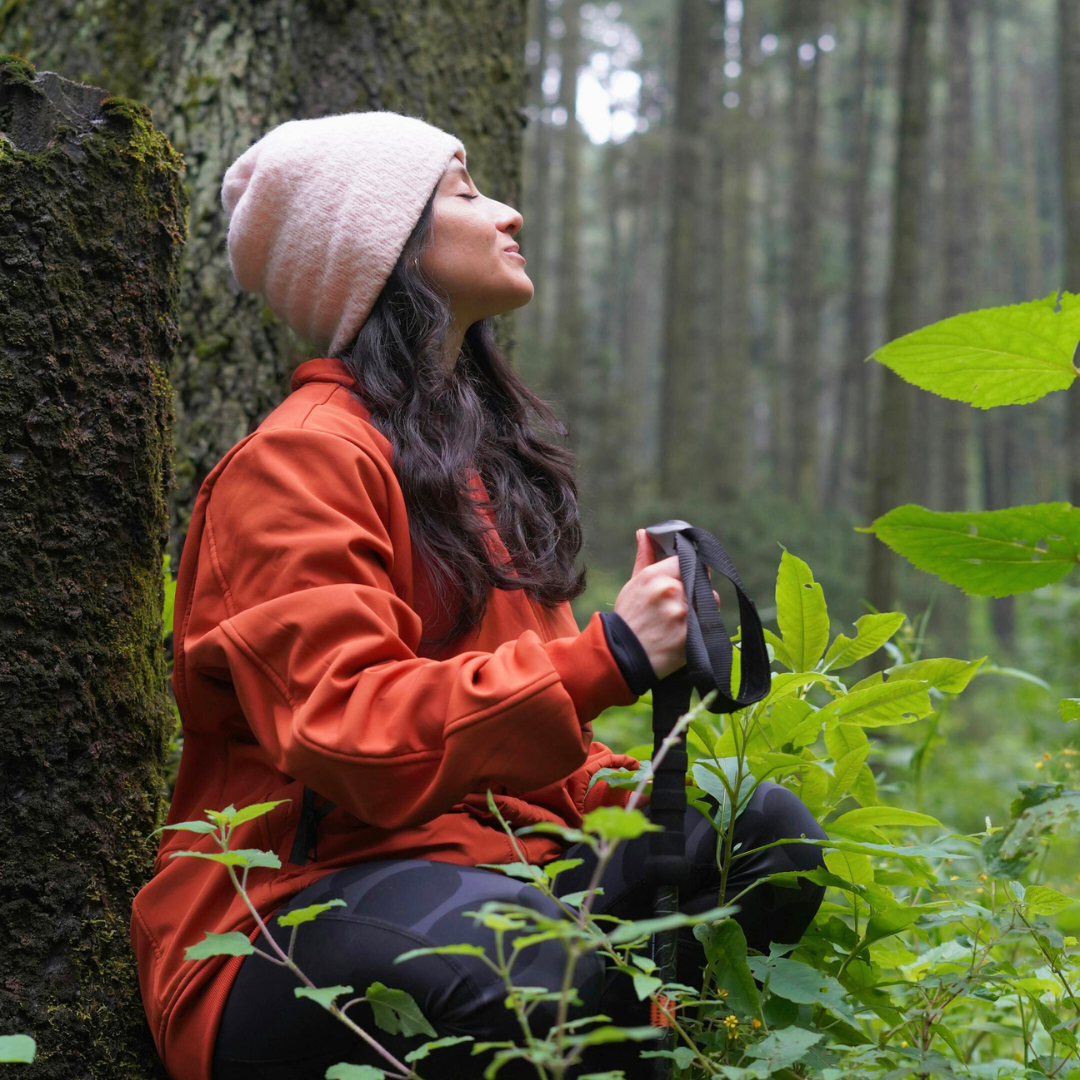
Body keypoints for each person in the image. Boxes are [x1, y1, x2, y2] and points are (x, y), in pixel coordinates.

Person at [129, 111, 826, 1080]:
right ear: (385, 250)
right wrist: (609, 654)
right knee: (541, 968)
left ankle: (668, 1042)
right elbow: (348, 733)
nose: (508, 211)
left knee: (766, 837)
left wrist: (645, 795)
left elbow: (546, 769)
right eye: (462, 193)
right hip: (281, 925)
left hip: (496, 875)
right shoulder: (295, 463)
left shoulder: (474, 478)